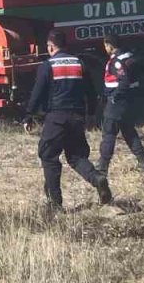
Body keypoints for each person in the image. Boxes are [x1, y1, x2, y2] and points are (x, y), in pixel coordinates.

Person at [22, 29, 112, 210]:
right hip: (77, 117)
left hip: (56, 117)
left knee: (48, 156)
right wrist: (92, 113)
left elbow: (37, 93)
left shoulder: (48, 65)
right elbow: (91, 91)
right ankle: (97, 178)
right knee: (77, 157)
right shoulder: (79, 63)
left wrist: (28, 115)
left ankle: (55, 203)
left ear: (50, 46)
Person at [97, 34, 144, 175]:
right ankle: (143, 162)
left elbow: (124, 81)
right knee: (129, 132)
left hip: (117, 103)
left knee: (109, 133)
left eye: (105, 45)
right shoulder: (129, 56)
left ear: (109, 45)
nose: (104, 48)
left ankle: (102, 169)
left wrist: (114, 97)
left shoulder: (116, 61)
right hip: (130, 102)